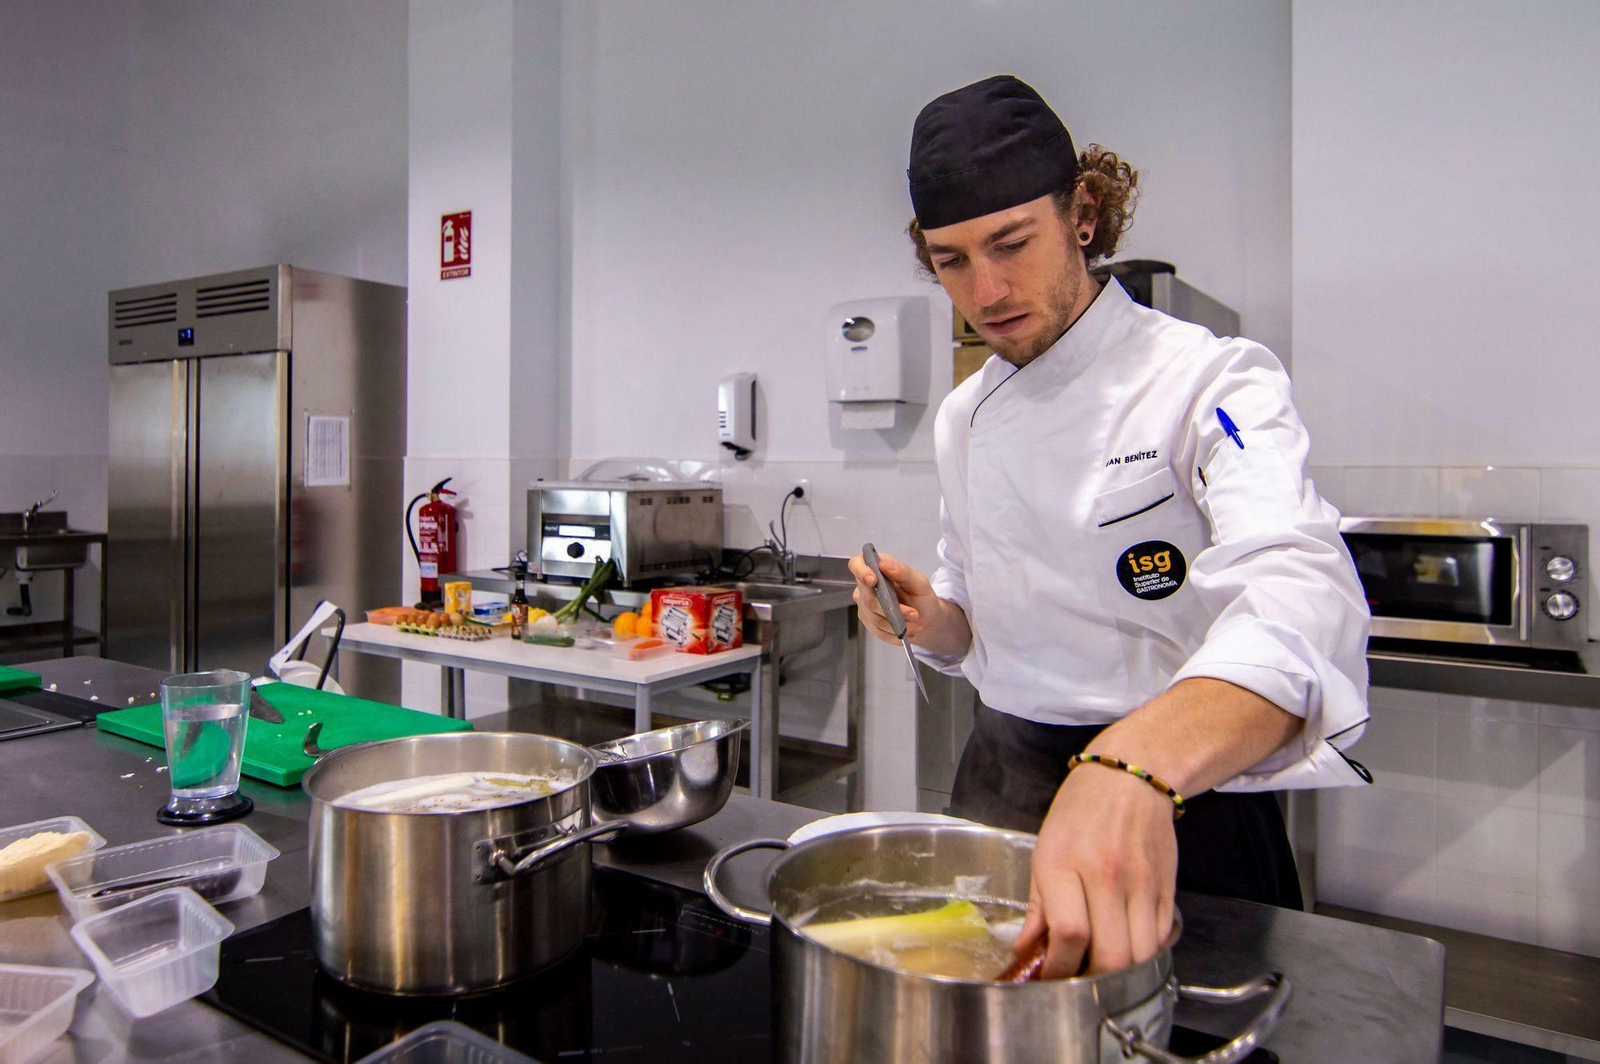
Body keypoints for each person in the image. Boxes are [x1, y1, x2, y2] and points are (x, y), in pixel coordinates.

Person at [849, 75, 1371, 980]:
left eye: (1013, 243)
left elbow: (1299, 590)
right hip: (1002, 783)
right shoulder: (964, 416)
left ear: (1082, 214)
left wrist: (1131, 764)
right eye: (952, 261)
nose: (989, 288)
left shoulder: (1212, 382)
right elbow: (979, 605)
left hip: (1177, 798)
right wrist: (934, 620)